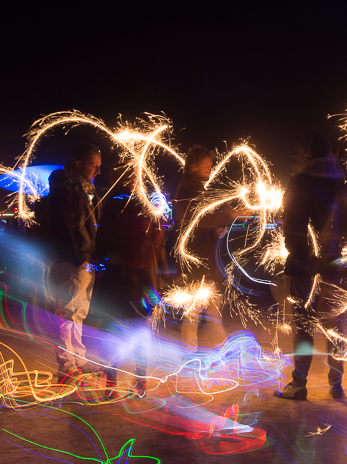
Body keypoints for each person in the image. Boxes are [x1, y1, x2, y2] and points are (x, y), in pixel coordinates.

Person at [274, 133, 347, 401]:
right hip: (332, 261)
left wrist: (297, 252)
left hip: (305, 264)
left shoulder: (300, 182)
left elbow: (293, 224)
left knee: (304, 324)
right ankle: (336, 383)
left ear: (307, 154)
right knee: (333, 323)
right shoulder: (340, 181)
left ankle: (299, 384)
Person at [95, 161, 167, 397]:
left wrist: (102, 261)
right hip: (142, 277)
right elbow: (158, 239)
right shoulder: (144, 203)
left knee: (114, 329)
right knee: (139, 329)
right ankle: (140, 383)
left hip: (120, 278)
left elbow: (103, 240)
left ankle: (112, 384)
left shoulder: (113, 202)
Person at [173, 145, 245, 351]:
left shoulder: (194, 188)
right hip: (197, 259)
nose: (210, 169)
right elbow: (199, 220)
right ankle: (194, 352)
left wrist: (221, 225)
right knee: (197, 310)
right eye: (207, 165)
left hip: (202, 258)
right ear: (193, 166)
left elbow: (201, 222)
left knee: (209, 308)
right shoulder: (189, 188)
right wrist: (229, 216)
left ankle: (213, 349)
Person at [44, 143, 102, 383]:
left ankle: (78, 359)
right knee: (67, 313)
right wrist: (78, 255)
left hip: (82, 258)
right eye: (93, 165)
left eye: (99, 167)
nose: (97, 171)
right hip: (72, 260)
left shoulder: (82, 189)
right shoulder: (66, 190)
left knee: (77, 311)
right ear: (78, 164)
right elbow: (67, 226)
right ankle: (66, 366)